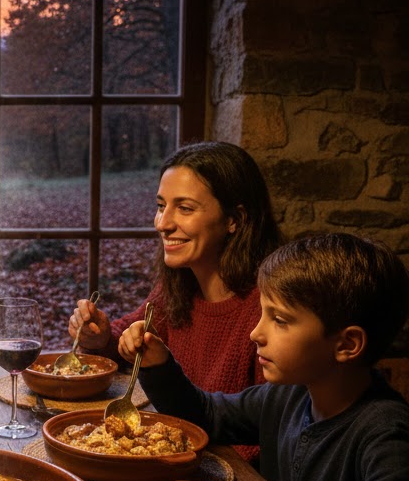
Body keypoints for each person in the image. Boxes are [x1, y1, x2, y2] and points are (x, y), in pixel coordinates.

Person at [125, 232, 409, 481]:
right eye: (262, 312)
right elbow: (206, 416)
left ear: (346, 345)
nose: (256, 332)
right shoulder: (289, 395)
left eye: (280, 319)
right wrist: (160, 365)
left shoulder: (385, 429)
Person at [68, 141, 283, 460]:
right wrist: (100, 336)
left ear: (234, 219)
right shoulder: (180, 284)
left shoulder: (271, 308)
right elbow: (128, 340)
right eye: (160, 206)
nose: (162, 223)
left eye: (185, 208)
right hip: (179, 455)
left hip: (228, 477)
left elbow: (275, 431)